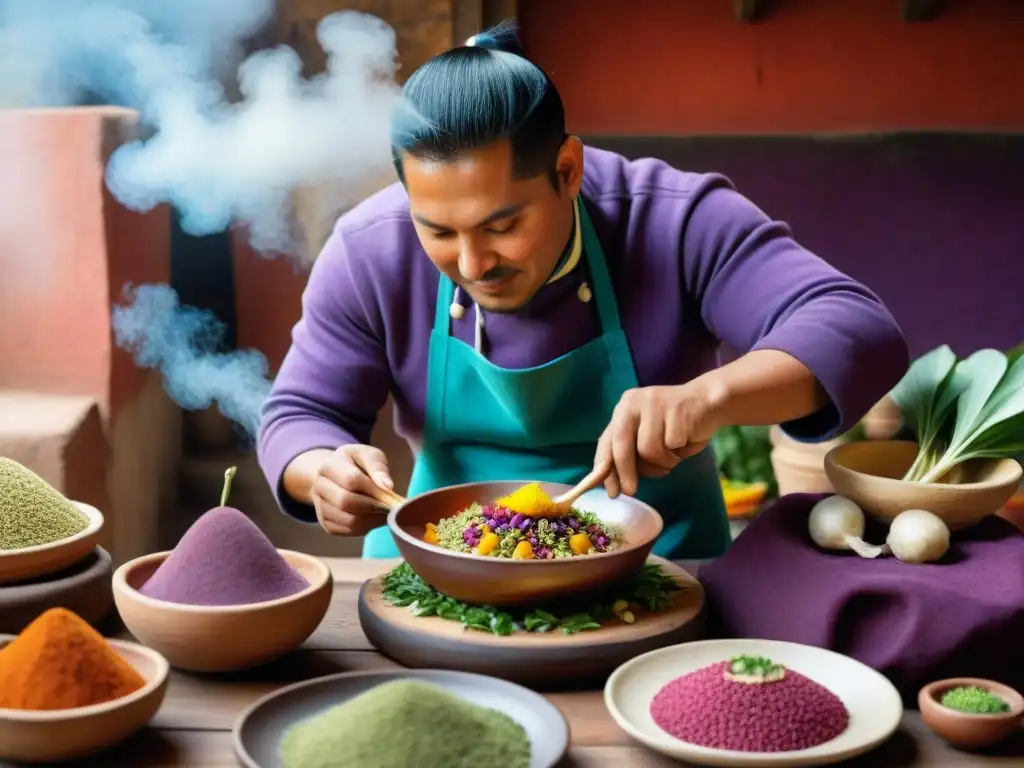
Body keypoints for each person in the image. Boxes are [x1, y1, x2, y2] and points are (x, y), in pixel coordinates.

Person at [257, 25, 909, 560]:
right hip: (440, 573)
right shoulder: (372, 248)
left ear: (567, 170)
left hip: (667, 570)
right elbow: (296, 417)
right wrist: (323, 469)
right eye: (439, 231)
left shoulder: (672, 221)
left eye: (502, 225)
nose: (473, 262)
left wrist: (707, 398)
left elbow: (856, 327)